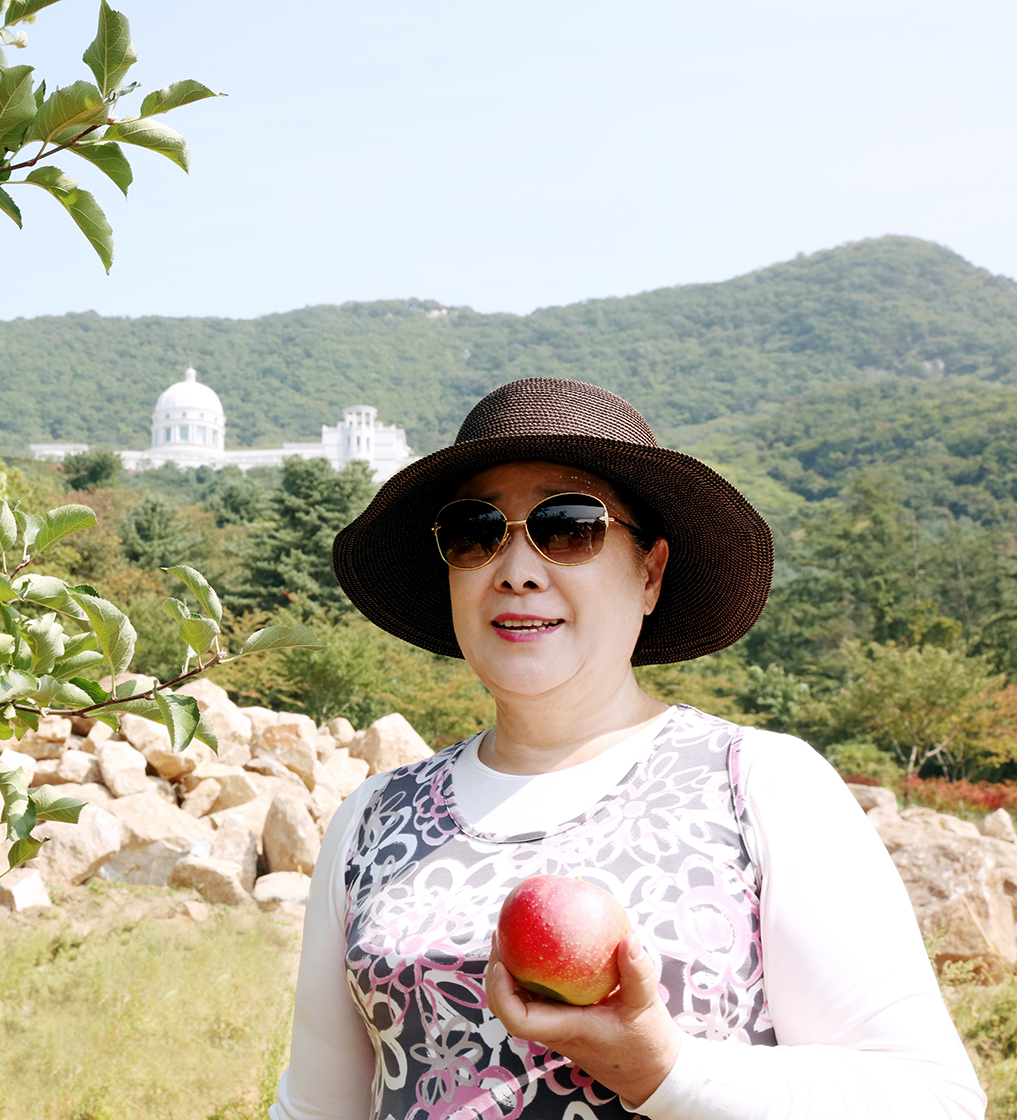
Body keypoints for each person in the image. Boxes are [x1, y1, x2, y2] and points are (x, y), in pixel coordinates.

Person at [271, 377, 986, 1120]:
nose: (514, 570)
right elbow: (316, 1111)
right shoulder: (373, 822)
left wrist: (666, 1070)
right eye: (475, 530)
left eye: (569, 525)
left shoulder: (758, 785)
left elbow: (932, 1101)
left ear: (649, 572)